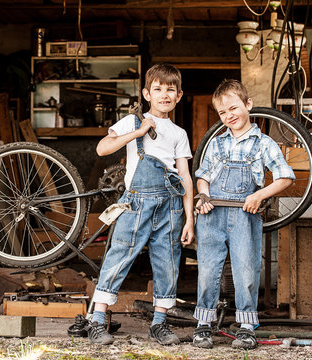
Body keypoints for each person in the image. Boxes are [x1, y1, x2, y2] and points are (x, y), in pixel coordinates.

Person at [87, 63, 195, 345]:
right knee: (119, 255)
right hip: (136, 202)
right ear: (147, 93)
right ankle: (97, 320)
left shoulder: (179, 134)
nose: (164, 95)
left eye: (170, 90)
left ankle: (159, 323)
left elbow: (184, 176)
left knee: (167, 261)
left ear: (179, 96)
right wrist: (138, 132)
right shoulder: (132, 122)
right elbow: (102, 148)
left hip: (170, 206)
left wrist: (189, 219)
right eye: (157, 89)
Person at [192, 79, 295, 350]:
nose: (229, 116)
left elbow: (286, 177)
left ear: (248, 105)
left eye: (234, 108)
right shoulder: (216, 144)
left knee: (246, 271)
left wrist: (259, 195)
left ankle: (246, 328)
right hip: (211, 215)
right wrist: (202, 195)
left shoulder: (264, 144)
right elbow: (202, 177)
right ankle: (204, 325)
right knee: (208, 271)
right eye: (222, 113)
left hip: (244, 216)